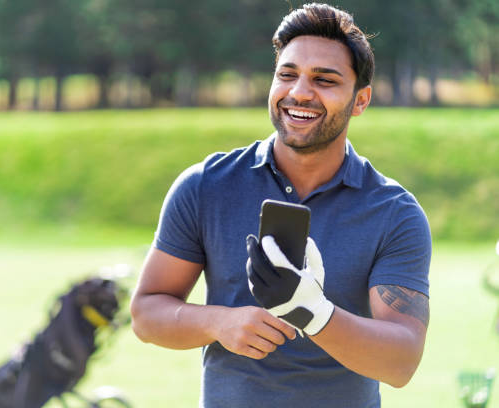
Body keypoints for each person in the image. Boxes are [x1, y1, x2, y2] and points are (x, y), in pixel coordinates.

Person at [130, 3, 432, 407]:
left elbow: (401, 361)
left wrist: (313, 311)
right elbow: (147, 314)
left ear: (361, 101)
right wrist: (218, 321)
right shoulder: (206, 186)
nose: (299, 92)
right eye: (287, 75)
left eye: (324, 80)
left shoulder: (395, 213)